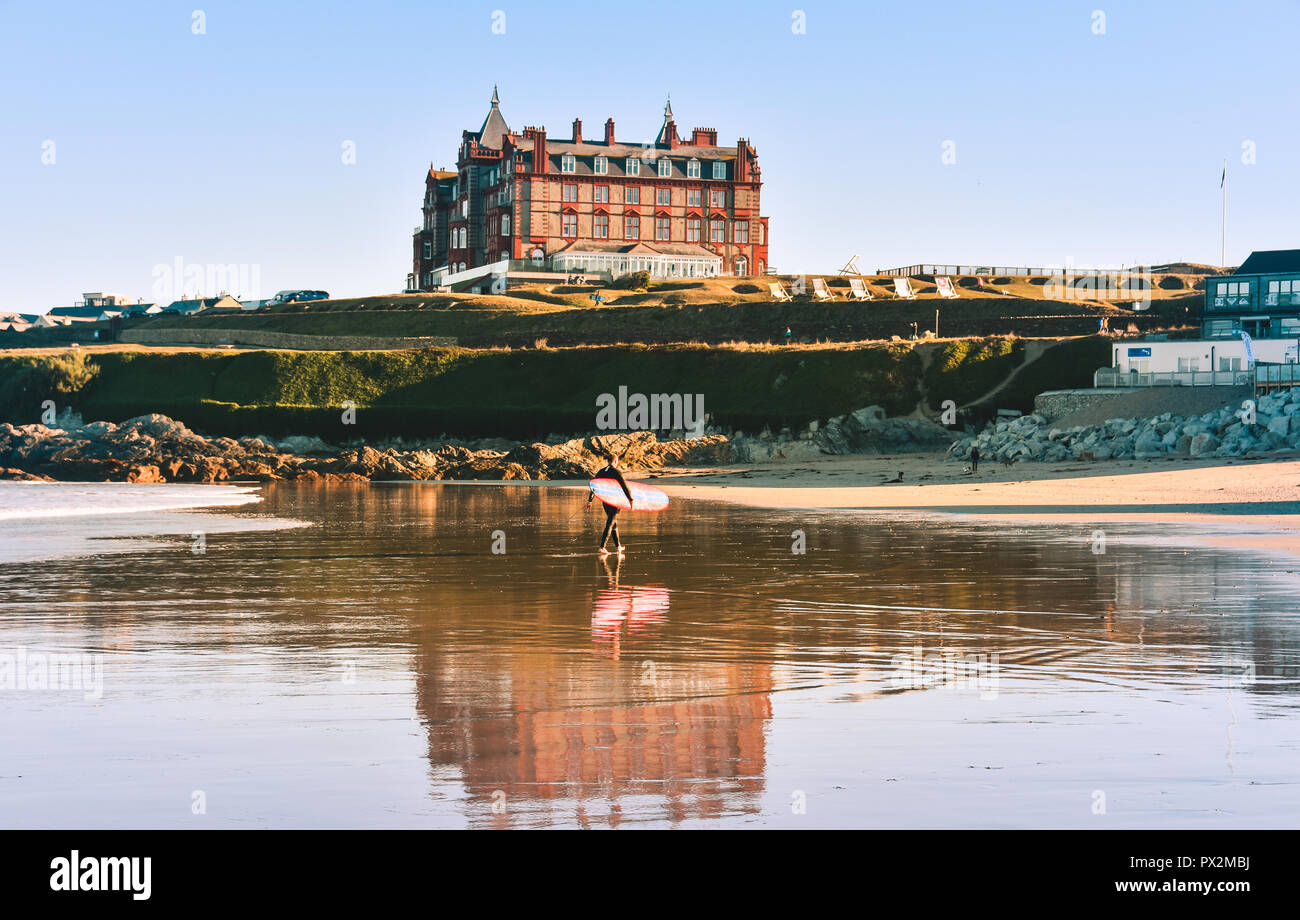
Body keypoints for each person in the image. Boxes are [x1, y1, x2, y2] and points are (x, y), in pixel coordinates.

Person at [588, 452, 633, 555]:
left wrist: (589, 501)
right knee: (610, 523)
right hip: (614, 501)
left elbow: (593, 487)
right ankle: (602, 547)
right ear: (615, 461)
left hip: (606, 502)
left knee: (613, 523)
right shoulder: (616, 472)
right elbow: (625, 487)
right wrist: (631, 500)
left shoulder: (600, 472)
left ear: (608, 461)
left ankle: (618, 547)